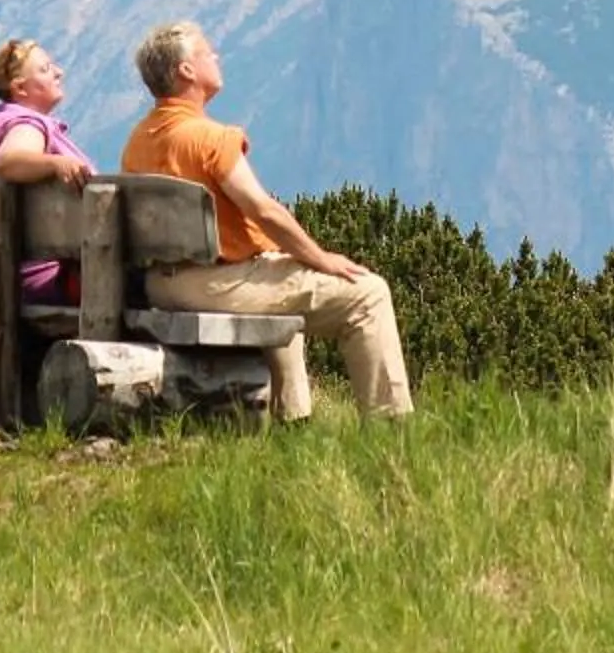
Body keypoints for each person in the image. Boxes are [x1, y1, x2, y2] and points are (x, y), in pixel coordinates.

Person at [120, 21, 413, 421]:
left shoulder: (139, 139)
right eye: (207, 52)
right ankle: (391, 428)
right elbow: (262, 209)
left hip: (163, 285)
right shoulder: (210, 139)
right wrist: (321, 259)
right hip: (219, 284)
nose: (217, 56)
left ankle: (292, 421)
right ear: (186, 70)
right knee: (368, 294)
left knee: (277, 288)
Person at [0, 37, 96, 305]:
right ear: (20, 88)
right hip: (44, 278)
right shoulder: (27, 125)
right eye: (46, 69)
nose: (59, 72)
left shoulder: (0, 121)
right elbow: (8, 161)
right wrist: (57, 163)